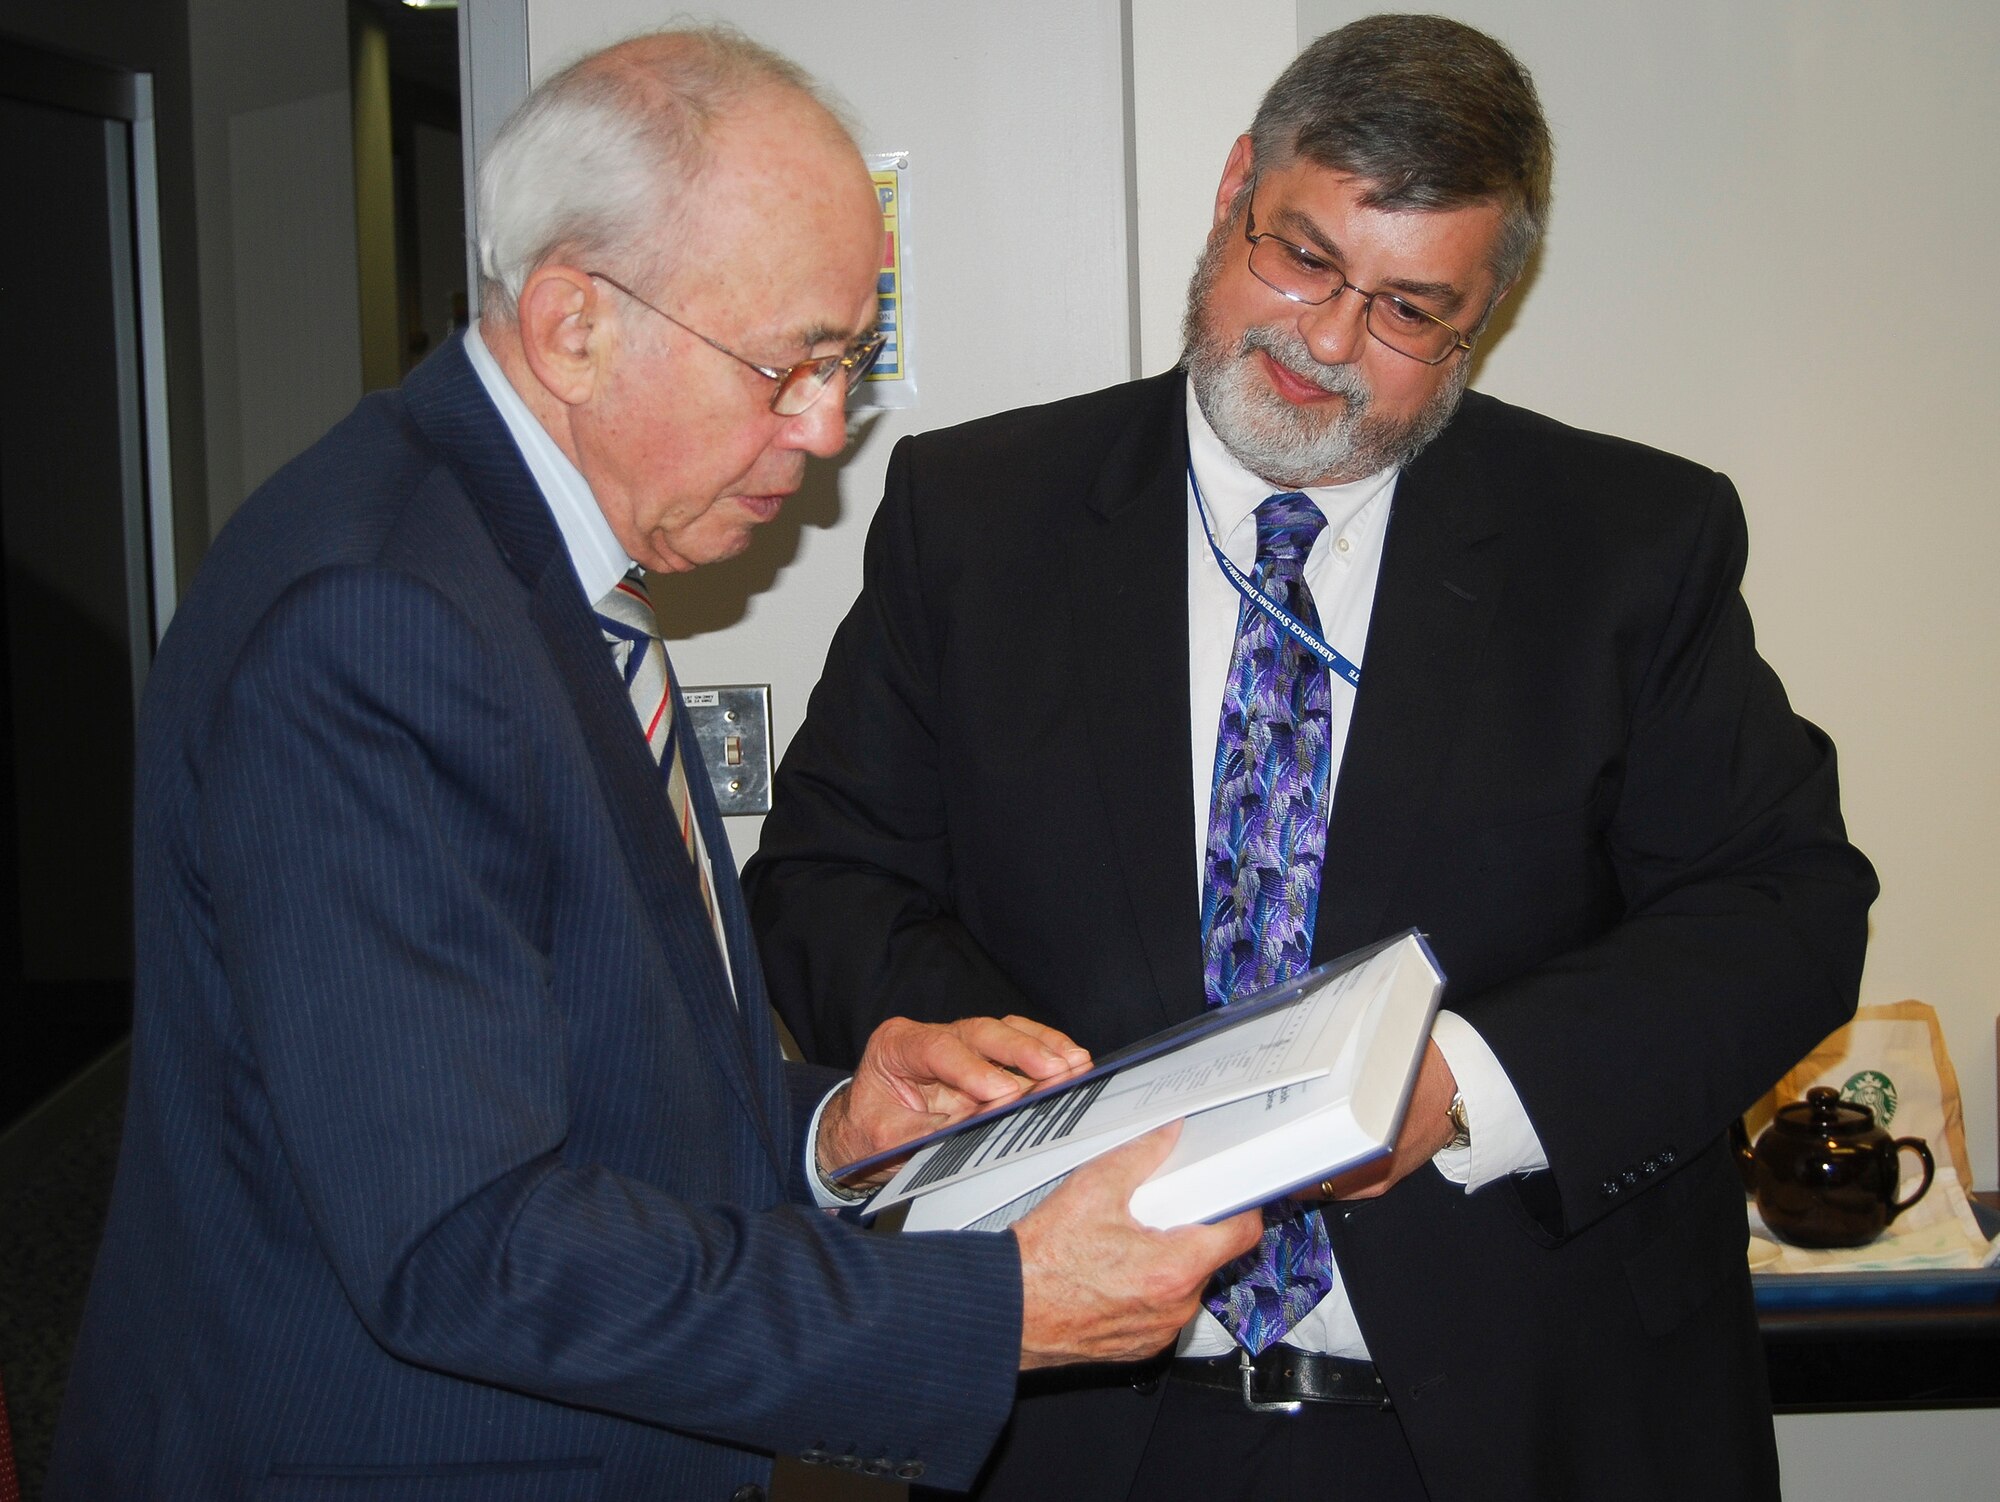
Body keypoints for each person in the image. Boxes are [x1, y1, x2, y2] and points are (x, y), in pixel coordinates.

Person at [46, 29, 1258, 1501]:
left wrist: (830, 1124)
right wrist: (998, 1308)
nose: (824, 433)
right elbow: (464, 1244)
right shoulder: (371, 620)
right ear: (572, 326)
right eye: (789, 366)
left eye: (848, 363)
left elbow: (590, 1052)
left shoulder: (548, 554)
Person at [745, 14, 1878, 1502]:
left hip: (1521, 1421)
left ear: (1489, 314)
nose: (1328, 342)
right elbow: (827, 873)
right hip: (1085, 1423)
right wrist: (1012, 1079)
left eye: (1413, 311)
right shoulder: (976, 516)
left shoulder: (1626, 545)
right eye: (1301, 257)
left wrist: (1459, 1085)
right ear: (1236, 189)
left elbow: (1786, 911)